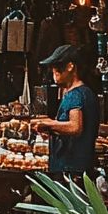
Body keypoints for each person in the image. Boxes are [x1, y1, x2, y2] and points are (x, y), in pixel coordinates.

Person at [33, 44, 99, 178]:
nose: (53, 71)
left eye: (57, 66)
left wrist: (48, 124)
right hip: (80, 167)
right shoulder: (87, 93)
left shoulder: (75, 95)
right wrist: (53, 130)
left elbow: (75, 127)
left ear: (70, 66)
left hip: (70, 169)